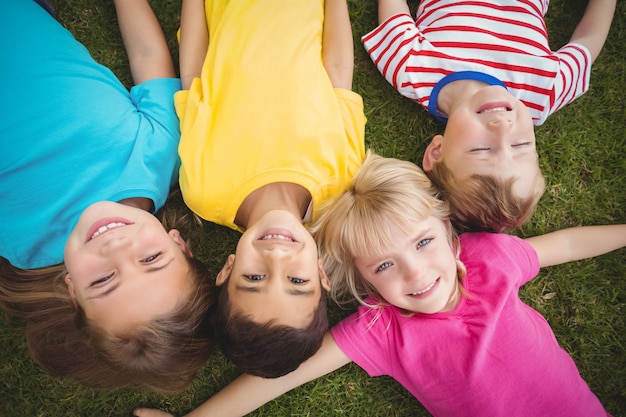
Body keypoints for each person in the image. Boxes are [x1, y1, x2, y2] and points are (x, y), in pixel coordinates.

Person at [134, 152, 624, 417]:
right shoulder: (383, 330)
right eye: (384, 267)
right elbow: (281, 377)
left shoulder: (491, 260)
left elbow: (563, 245)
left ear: (451, 234)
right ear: (365, 282)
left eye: (423, 242)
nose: (415, 273)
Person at [0, 0, 216, 392]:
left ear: (72, 291)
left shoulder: (18, 241)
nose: (116, 247)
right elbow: (148, 57)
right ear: (179, 244)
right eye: (151, 259)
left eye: (102, 281)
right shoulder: (161, 155)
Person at [175, 0, 365, 378]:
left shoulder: (202, 189)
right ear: (322, 276)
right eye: (297, 281)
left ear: (227, 269)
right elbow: (339, 74)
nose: (276, 257)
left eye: (254, 279)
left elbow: (193, 79)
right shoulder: (342, 181)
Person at [363, 0, 616, 233]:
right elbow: (589, 41)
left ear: (437, 152)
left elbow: (393, 15)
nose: (503, 128)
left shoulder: (412, 70)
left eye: (482, 149)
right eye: (521, 144)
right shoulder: (544, 92)